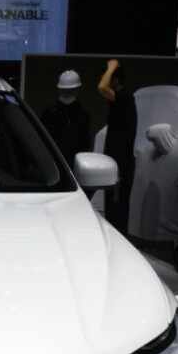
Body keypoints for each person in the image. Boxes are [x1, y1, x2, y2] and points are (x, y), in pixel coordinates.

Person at [98, 59, 137, 234]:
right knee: (113, 207)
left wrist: (111, 67)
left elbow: (101, 87)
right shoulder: (120, 99)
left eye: (109, 77)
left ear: (115, 80)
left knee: (117, 208)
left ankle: (118, 238)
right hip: (116, 161)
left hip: (121, 163)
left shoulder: (125, 97)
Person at [39, 69, 91, 166]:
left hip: (52, 165)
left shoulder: (48, 113)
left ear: (59, 89)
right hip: (71, 166)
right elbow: (85, 146)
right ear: (77, 89)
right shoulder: (83, 115)